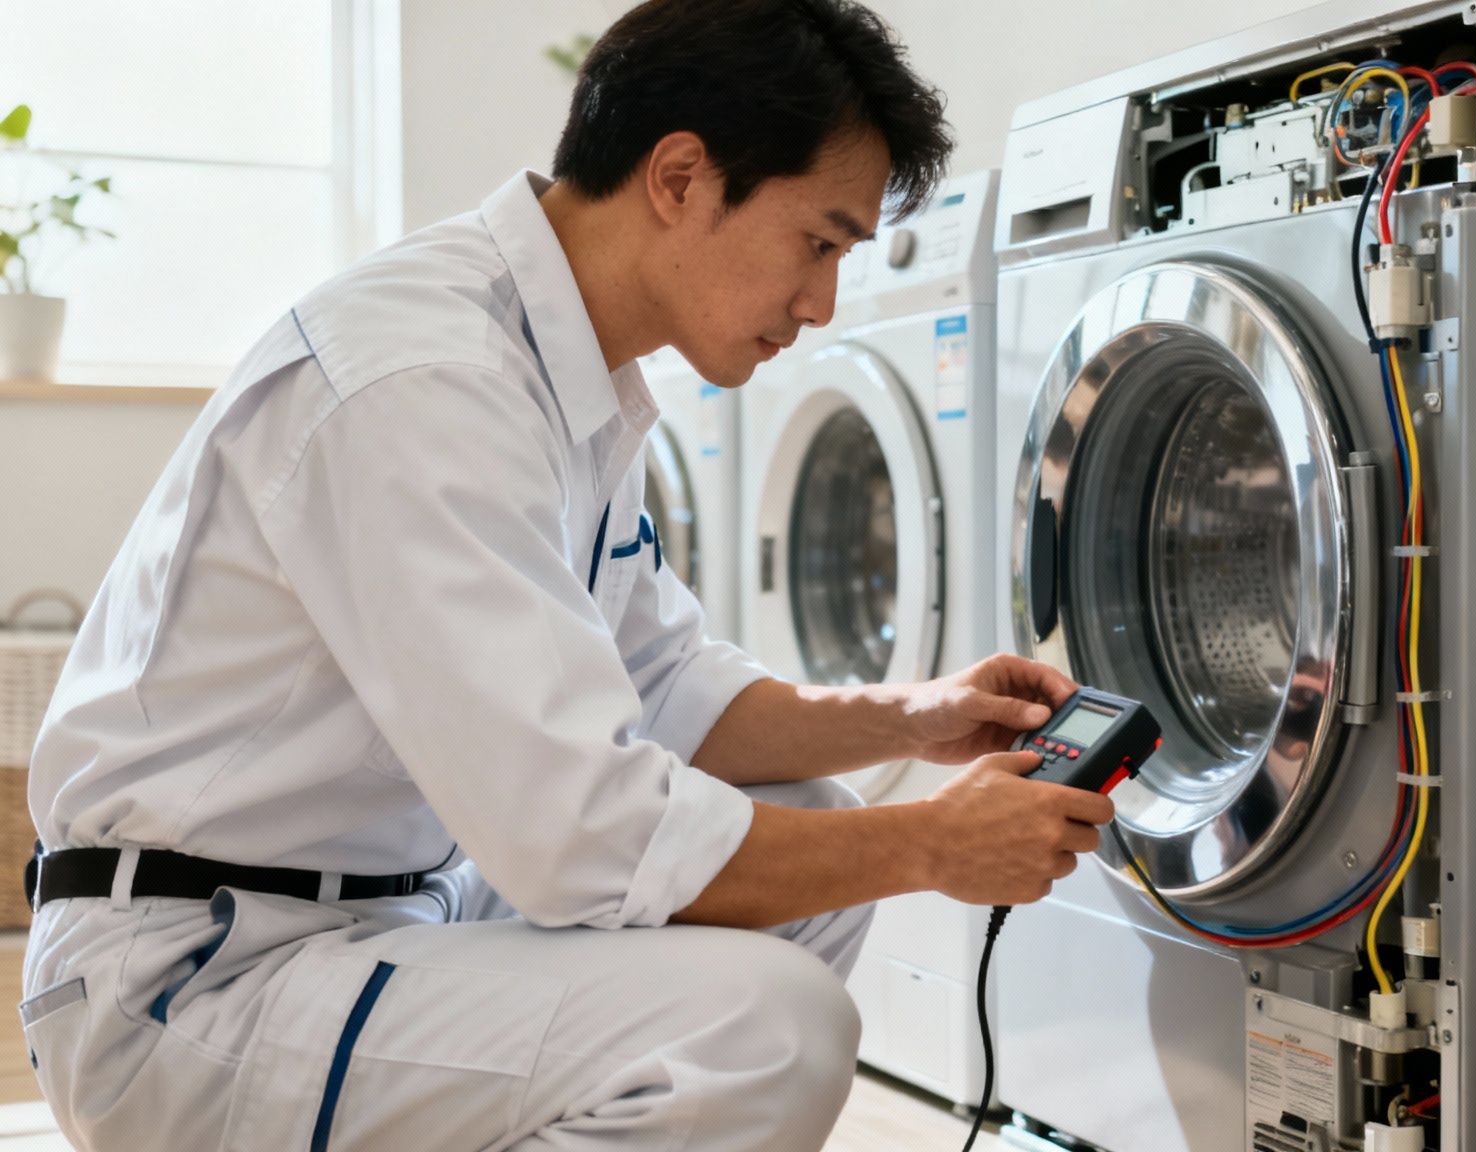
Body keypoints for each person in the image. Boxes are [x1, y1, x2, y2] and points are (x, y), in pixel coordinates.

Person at [18, 2, 1113, 1148]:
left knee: (800, 829)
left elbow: (666, 688)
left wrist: (910, 718)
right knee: (764, 1026)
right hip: (196, 976)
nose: (821, 302)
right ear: (680, 177)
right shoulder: (426, 379)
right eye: (819, 242)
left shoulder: (567, 382)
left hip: (367, 915)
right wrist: (929, 845)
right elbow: (582, 836)